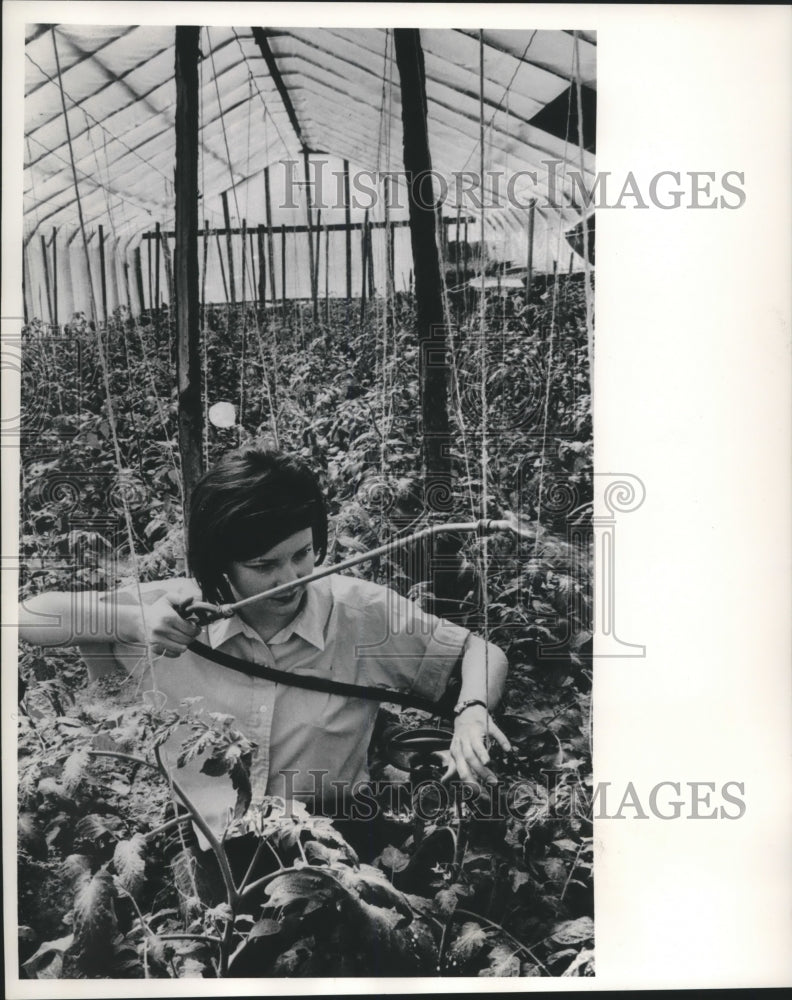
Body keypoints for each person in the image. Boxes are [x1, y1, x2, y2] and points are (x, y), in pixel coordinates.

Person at [18, 447, 510, 851]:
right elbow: (27, 615)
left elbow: (480, 651)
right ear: (220, 565)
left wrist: (471, 711)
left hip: (332, 841)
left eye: (302, 553)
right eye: (263, 565)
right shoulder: (172, 612)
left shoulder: (360, 613)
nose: (291, 578)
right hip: (194, 844)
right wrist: (134, 619)